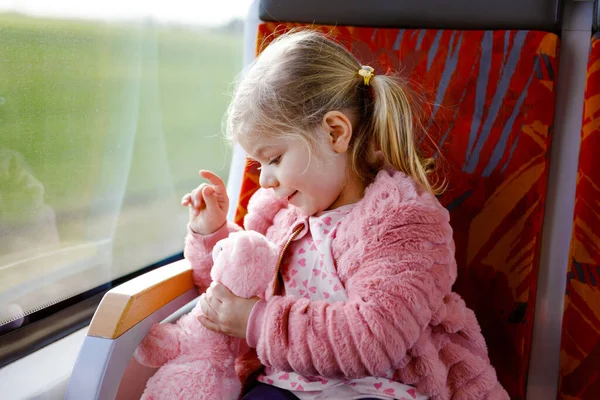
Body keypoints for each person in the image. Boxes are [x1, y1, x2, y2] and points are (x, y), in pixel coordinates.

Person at [181, 30, 509, 400]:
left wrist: (256, 321)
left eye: (274, 159)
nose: (265, 180)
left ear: (335, 133)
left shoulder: (403, 222)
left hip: (384, 389)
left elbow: (374, 338)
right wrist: (211, 235)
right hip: (284, 384)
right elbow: (233, 290)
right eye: (258, 164)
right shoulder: (278, 213)